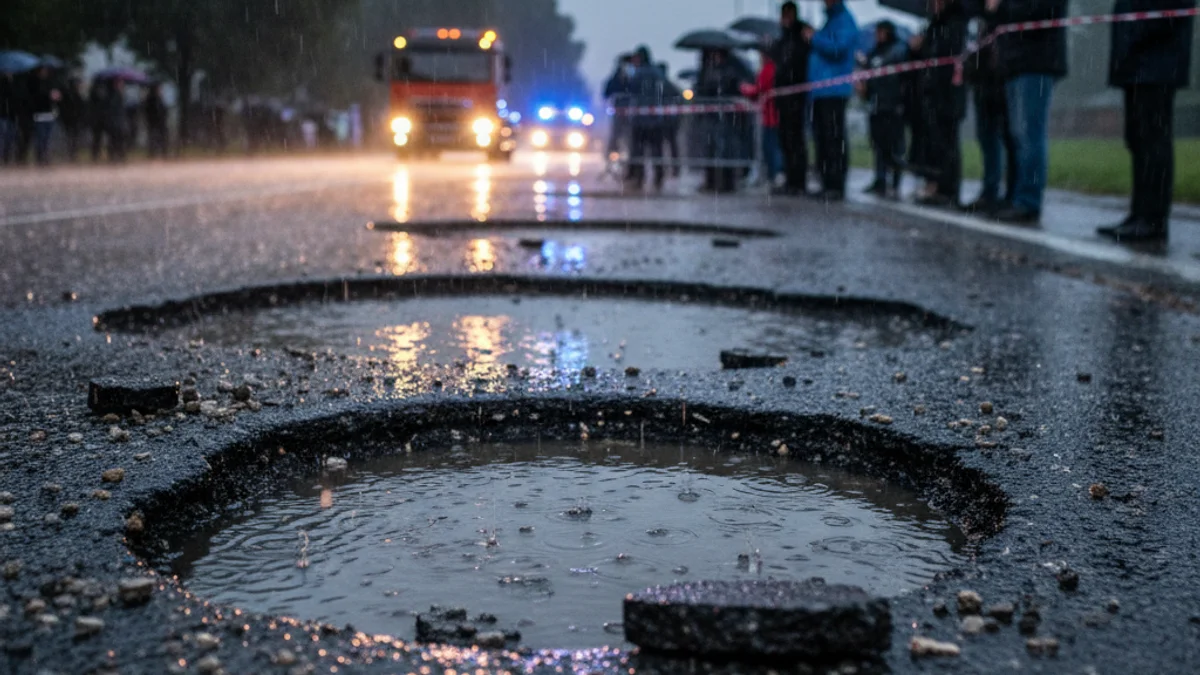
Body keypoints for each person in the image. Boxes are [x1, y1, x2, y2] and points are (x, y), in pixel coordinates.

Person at [1097, 0, 1195, 243]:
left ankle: (1153, 219)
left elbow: (1172, 10)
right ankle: (1139, 214)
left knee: (1153, 143)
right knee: (1138, 140)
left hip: (1157, 63)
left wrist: (1135, 32)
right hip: (1138, 64)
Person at [989, 0, 1069, 224]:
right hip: (1017, 64)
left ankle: (1028, 201)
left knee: (1029, 135)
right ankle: (1017, 197)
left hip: (1036, 63)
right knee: (1019, 136)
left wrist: (1001, 6)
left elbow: (1039, 10)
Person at [909, 0, 968, 207]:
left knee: (947, 143)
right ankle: (934, 184)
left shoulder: (957, 22)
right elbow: (925, 58)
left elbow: (951, 52)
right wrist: (917, 48)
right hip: (931, 93)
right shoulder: (933, 26)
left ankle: (948, 189)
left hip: (949, 93)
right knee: (932, 142)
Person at [962, 7, 1017, 215]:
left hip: (1002, 83)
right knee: (987, 140)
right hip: (983, 86)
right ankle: (989, 191)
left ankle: (1012, 194)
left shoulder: (1004, 15)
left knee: (1010, 139)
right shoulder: (977, 22)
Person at [804, 0, 859, 201]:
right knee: (822, 139)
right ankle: (827, 182)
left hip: (834, 90)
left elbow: (838, 48)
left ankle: (835, 184)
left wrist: (815, 38)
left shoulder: (844, 20)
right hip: (820, 90)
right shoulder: (829, 21)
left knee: (833, 138)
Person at [764, 1, 811, 194]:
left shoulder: (801, 36)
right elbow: (777, 57)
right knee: (785, 139)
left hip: (796, 95)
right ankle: (791, 178)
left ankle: (798, 180)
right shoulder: (783, 38)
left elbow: (797, 61)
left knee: (795, 139)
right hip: (783, 96)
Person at [861, 21, 909, 196]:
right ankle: (880, 180)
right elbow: (869, 78)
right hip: (876, 105)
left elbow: (902, 79)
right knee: (878, 145)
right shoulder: (874, 53)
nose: (878, 35)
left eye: (881, 32)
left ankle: (895, 182)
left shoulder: (898, 51)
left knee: (895, 147)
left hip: (893, 106)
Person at [696, 48, 751, 193]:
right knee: (712, 148)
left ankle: (727, 182)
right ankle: (712, 181)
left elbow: (736, 86)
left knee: (726, 148)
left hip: (727, 117)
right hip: (713, 116)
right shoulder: (708, 68)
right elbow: (703, 89)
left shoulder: (732, 68)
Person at [624, 46, 679, 190]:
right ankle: (658, 177)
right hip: (656, 119)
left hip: (640, 119)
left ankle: (638, 177)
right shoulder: (657, 73)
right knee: (656, 150)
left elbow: (629, 89)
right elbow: (670, 90)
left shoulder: (638, 73)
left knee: (638, 150)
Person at [741, 52, 783, 187]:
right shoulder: (770, 68)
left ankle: (774, 174)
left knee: (770, 147)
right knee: (770, 146)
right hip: (769, 115)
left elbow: (760, 89)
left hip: (770, 116)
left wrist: (745, 89)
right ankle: (772, 174)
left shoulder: (768, 69)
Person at [19, 66, 60, 165]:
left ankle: (45, 157)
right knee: (40, 138)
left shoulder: (50, 83)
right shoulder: (34, 84)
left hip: (49, 114)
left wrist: (55, 97)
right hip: (39, 115)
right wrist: (48, 95)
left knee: (47, 139)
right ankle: (39, 157)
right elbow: (35, 97)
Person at [603, 54, 635, 161]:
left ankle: (630, 156)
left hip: (633, 113)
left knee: (630, 135)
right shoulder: (615, 79)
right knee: (616, 134)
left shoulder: (634, 78)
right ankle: (612, 155)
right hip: (618, 112)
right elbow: (606, 93)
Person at [58, 76, 85, 162]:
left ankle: (73, 155)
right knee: (70, 138)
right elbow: (64, 108)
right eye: (78, 84)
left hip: (76, 121)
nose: (79, 86)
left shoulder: (77, 95)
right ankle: (71, 155)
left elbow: (81, 108)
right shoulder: (68, 94)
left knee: (75, 139)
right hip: (69, 121)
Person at [104, 78, 129, 163]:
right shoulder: (113, 95)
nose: (122, 85)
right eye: (120, 84)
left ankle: (118, 156)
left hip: (118, 122)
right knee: (115, 140)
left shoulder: (118, 95)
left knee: (118, 141)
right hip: (115, 122)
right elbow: (113, 110)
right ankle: (115, 157)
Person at [144, 82, 169, 158]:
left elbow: (163, 110)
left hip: (160, 122)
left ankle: (163, 152)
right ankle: (153, 153)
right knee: (153, 138)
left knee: (162, 137)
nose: (159, 90)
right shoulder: (150, 99)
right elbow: (148, 111)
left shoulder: (159, 98)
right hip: (153, 122)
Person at [89, 78, 109, 161]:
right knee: (97, 138)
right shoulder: (94, 93)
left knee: (99, 138)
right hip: (97, 120)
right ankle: (95, 155)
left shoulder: (105, 92)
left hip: (103, 119)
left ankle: (98, 154)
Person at [0, 73, 17, 164]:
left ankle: (6, 157)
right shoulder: (3, 83)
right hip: (2, 114)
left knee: (10, 138)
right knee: (2, 137)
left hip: (12, 115)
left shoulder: (16, 82)